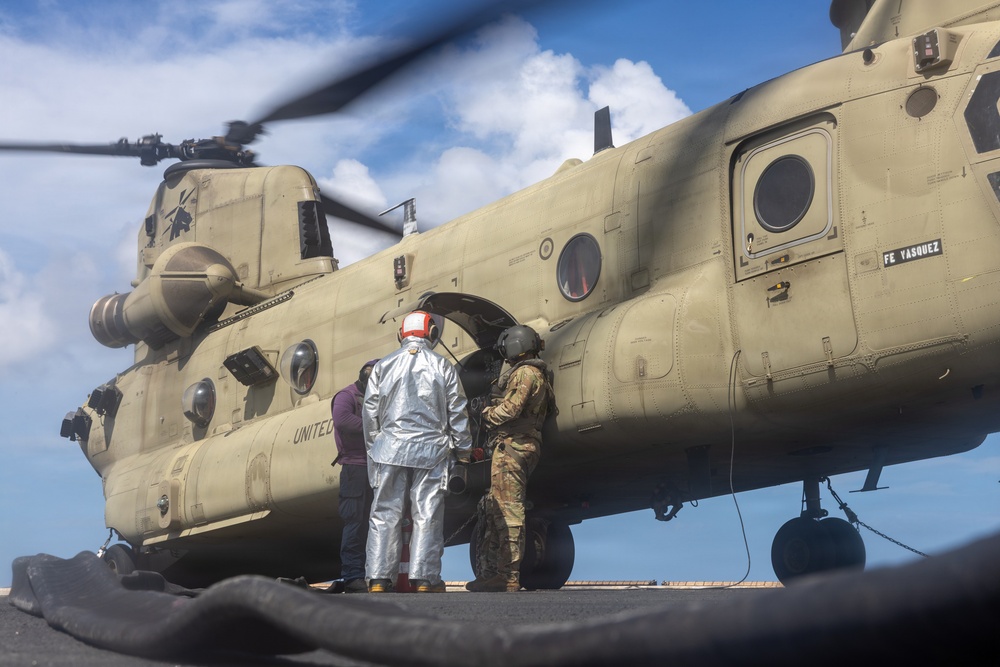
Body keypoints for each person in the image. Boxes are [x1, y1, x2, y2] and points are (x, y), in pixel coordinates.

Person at [363, 311, 472, 593]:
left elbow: (370, 414)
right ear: (432, 334)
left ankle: (378, 579)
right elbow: (457, 410)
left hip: (389, 450)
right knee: (427, 513)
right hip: (432, 451)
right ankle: (424, 579)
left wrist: (375, 448)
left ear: (402, 334)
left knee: (384, 512)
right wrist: (463, 450)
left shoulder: (382, 366)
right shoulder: (443, 366)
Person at [467, 324, 554, 593]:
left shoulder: (526, 373)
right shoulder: (537, 373)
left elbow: (511, 409)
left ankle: (508, 576)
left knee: (509, 513)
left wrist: (486, 413)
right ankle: (493, 573)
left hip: (514, 447)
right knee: (496, 510)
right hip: (516, 446)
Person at [331, 359, 379, 593]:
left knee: (378, 523)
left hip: (378, 466)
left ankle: (376, 575)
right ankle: (352, 576)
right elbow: (342, 421)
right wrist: (377, 429)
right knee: (355, 523)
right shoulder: (346, 396)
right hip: (355, 468)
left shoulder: (381, 397)